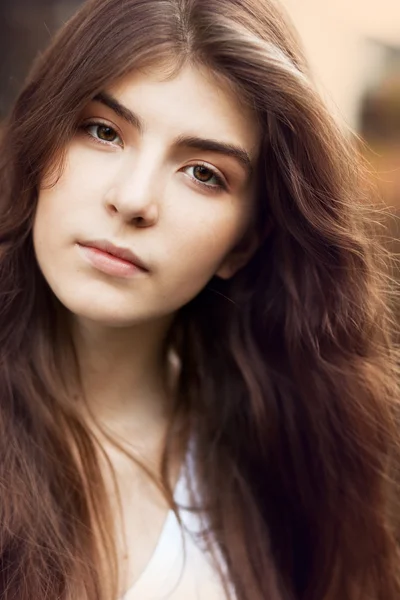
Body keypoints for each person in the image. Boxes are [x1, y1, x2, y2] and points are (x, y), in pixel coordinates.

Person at [0, 0, 399, 598]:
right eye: (103, 131)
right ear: (39, 146)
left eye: (203, 173)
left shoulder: (279, 470)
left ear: (244, 243)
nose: (134, 199)